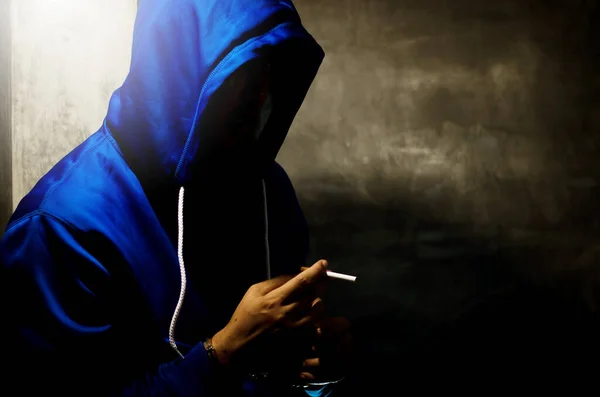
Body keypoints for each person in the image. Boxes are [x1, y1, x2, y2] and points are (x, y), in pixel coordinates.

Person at [0, 0, 353, 396]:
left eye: (271, 69)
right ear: (175, 69)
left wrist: (315, 375)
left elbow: (282, 371)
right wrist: (224, 354)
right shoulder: (58, 228)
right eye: (240, 71)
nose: (259, 94)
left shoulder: (266, 187)